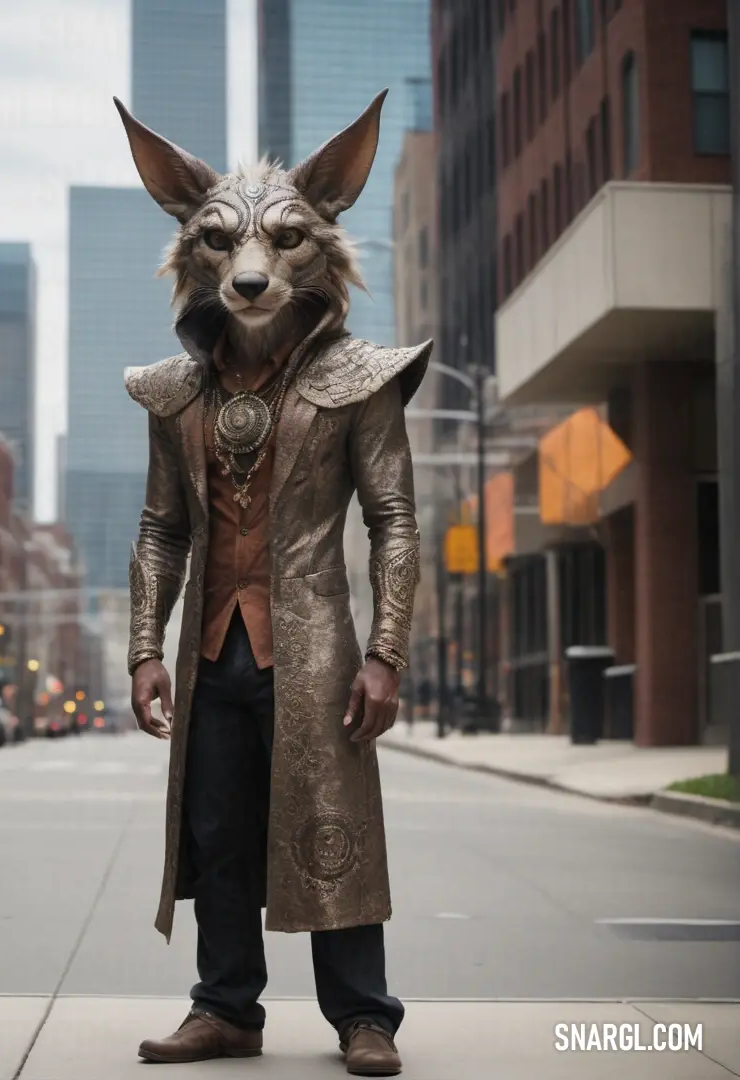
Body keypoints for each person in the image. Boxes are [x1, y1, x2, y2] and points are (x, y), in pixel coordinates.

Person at [116, 88, 430, 1077]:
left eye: (286, 242)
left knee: (334, 824)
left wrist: (384, 655)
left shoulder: (360, 383)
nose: (250, 269)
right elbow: (161, 529)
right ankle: (226, 1010)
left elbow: (394, 522)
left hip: (316, 648)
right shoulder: (176, 396)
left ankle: (364, 1016)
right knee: (216, 835)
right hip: (213, 651)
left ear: (321, 247)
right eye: (221, 246)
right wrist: (141, 650)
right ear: (196, 256)